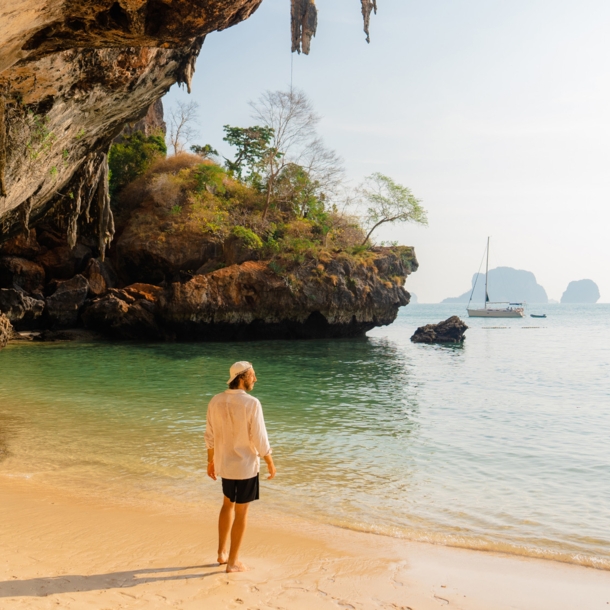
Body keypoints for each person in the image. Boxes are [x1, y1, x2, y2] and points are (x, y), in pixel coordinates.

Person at [204, 361, 276, 573]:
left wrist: (211, 460)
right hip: (245, 466)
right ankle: (233, 562)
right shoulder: (252, 403)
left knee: (227, 505)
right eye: (253, 375)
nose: (256, 379)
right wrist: (270, 460)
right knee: (242, 513)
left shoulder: (216, 401)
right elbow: (260, 437)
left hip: (225, 464)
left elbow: (209, 435)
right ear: (242, 378)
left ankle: (221, 553)